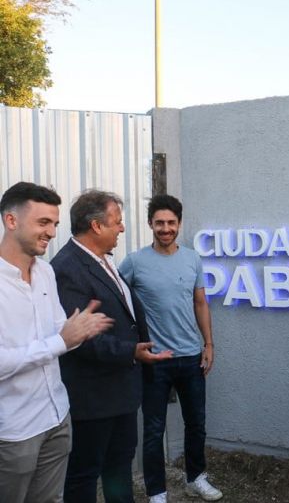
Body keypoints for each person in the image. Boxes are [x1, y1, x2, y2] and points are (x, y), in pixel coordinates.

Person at [51, 189, 173, 503]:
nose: (122, 228)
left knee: (118, 470)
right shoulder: (67, 268)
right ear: (96, 226)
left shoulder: (103, 261)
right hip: (93, 399)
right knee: (84, 477)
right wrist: (130, 352)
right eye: (117, 222)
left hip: (120, 392)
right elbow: (80, 337)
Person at [0, 182, 112, 503]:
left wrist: (80, 330)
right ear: (11, 221)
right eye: (43, 222)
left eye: (55, 224)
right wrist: (62, 340)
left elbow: (59, 334)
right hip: (14, 432)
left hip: (57, 417)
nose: (51, 232)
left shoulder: (46, 272)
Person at [120, 194, 222, 502]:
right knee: (153, 430)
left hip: (191, 356)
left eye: (171, 222)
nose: (166, 228)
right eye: (160, 222)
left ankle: (196, 478)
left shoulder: (192, 259)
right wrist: (130, 342)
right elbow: (118, 302)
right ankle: (157, 492)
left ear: (179, 224)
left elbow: (200, 302)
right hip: (154, 360)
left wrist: (208, 344)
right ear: (150, 224)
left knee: (196, 423)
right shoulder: (135, 262)